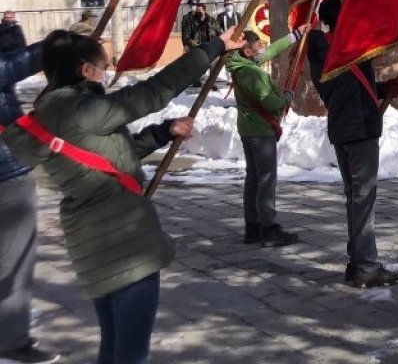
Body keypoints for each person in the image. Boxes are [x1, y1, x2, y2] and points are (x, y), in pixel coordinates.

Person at [2, 28, 240, 364]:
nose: (106, 73)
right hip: (125, 242)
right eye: (104, 67)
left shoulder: (46, 116)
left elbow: (103, 160)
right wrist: (214, 48)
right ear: (86, 70)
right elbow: (155, 91)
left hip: (90, 243)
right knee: (130, 353)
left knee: (114, 345)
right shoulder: (85, 110)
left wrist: (162, 132)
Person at [306, 0, 398, 287]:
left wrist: (379, 89)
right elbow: (389, 31)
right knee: (363, 200)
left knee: (355, 198)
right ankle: (366, 266)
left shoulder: (323, 51)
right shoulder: (347, 45)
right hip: (359, 130)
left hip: (342, 128)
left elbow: (343, 88)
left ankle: (357, 262)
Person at [0, 40, 55, 364]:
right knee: (13, 261)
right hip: (6, 174)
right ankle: (10, 340)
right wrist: (58, 44)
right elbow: (7, 67)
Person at [228, 27, 308, 248]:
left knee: (254, 178)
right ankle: (269, 228)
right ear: (247, 51)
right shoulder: (253, 73)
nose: (263, 48)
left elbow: (271, 51)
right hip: (260, 131)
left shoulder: (241, 65)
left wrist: (295, 35)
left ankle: (253, 227)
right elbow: (270, 102)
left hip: (248, 128)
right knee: (266, 179)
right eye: (258, 45)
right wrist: (286, 99)